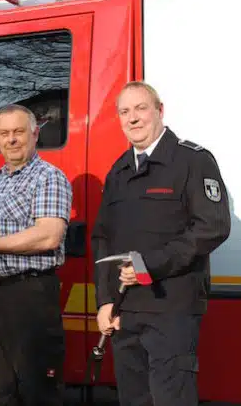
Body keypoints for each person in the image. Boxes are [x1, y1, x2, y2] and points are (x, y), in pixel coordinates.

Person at [92, 81, 231, 406]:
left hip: (171, 308)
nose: (133, 118)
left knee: (172, 399)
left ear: (159, 111)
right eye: (124, 112)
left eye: (141, 108)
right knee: (133, 399)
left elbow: (213, 227)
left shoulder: (192, 161)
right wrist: (104, 300)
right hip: (125, 312)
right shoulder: (119, 171)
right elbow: (103, 239)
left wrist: (149, 264)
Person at [0, 104, 73, 406]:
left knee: (37, 390)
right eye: (4, 133)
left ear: (34, 133)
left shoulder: (48, 177)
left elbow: (49, 235)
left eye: (18, 132)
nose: (11, 139)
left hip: (28, 296)